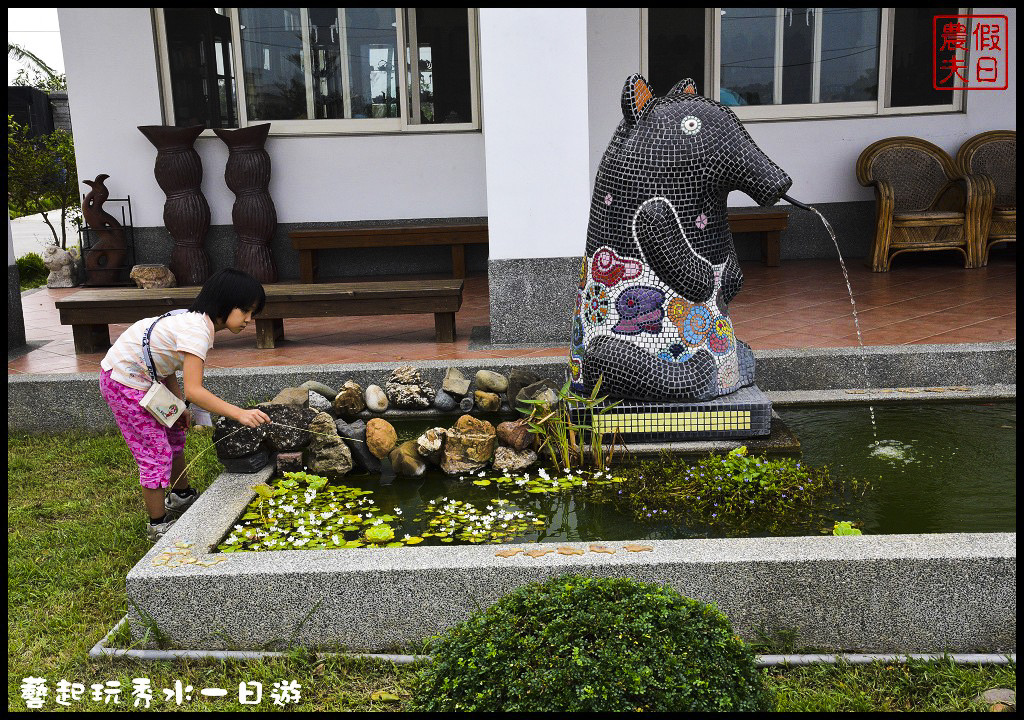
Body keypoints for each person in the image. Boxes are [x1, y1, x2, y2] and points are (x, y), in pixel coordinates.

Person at [98, 268, 272, 541]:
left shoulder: (195, 321)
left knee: (176, 430)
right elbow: (196, 389)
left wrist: (179, 406)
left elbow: (163, 363)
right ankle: (157, 525)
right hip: (124, 383)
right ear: (224, 303)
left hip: (148, 377)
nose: (250, 319)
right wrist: (240, 413)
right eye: (246, 311)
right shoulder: (197, 332)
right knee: (155, 453)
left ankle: (180, 495)